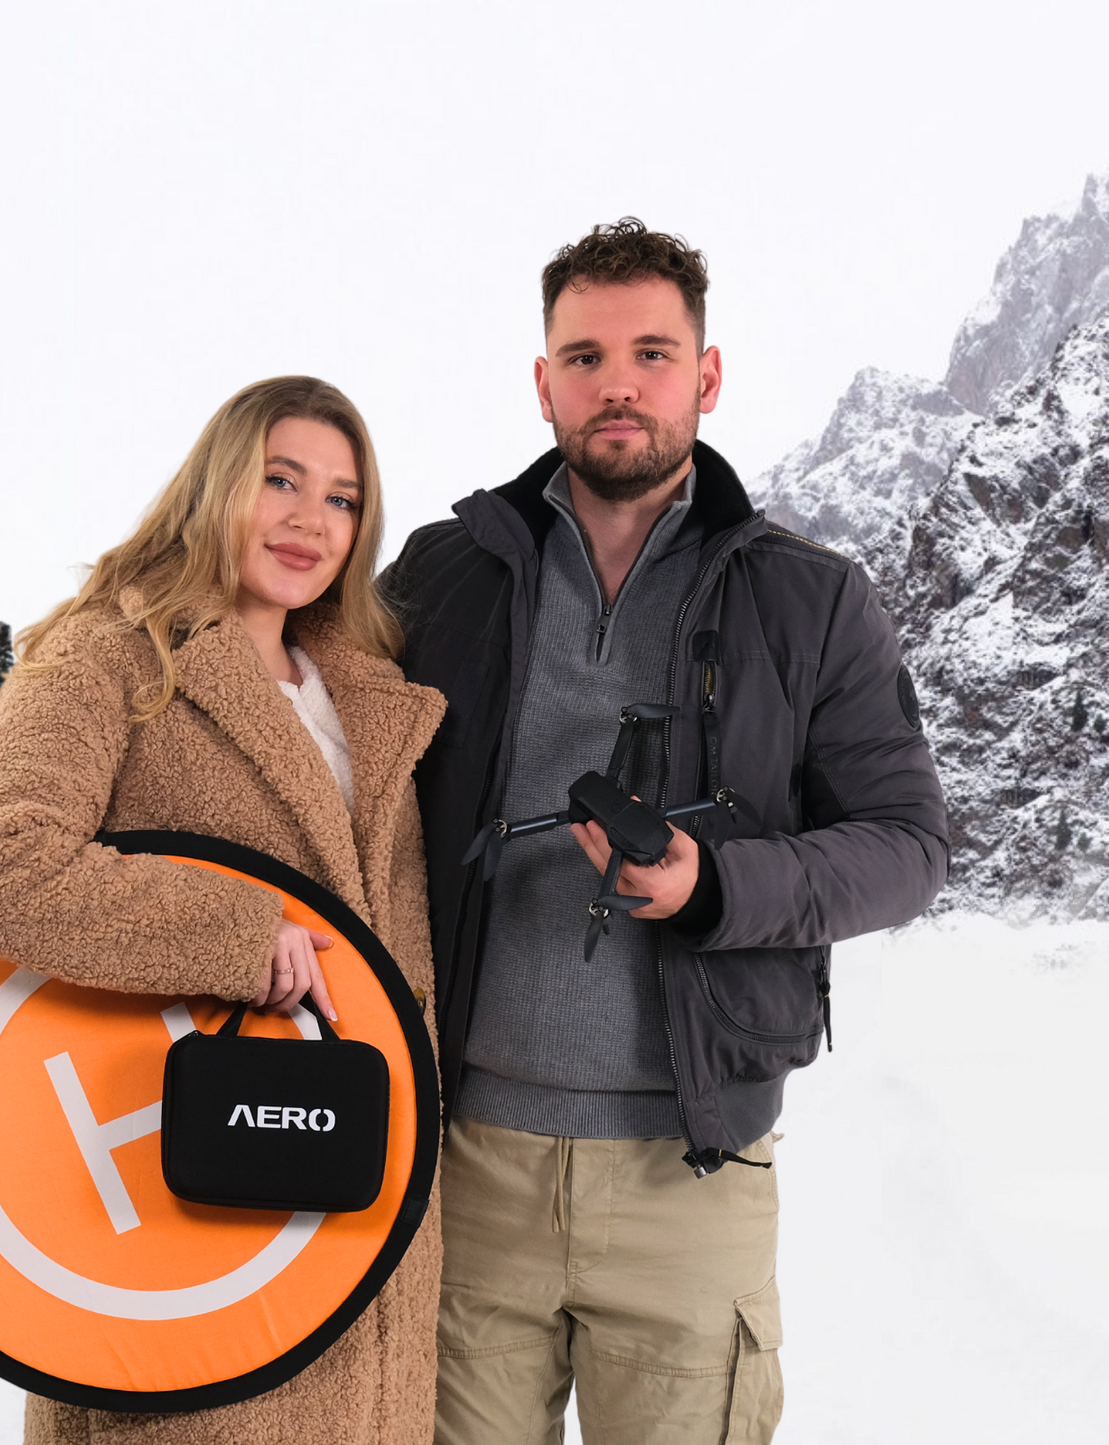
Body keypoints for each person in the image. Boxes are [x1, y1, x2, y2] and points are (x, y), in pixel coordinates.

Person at [383, 221, 949, 1444]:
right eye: (583, 357)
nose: (618, 385)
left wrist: (716, 887)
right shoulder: (438, 575)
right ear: (542, 383)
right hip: (461, 1163)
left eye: (651, 353)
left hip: (688, 1176)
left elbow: (907, 846)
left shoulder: (810, 598)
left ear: (706, 374)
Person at [0, 375, 447, 1445]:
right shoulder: (107, 653)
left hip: (360, 1210)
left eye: (343, 499)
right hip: (181, 1206)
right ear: (216, 482)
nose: (311, 521)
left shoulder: (366, 691)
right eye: (280, 480)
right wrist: (233, 934)